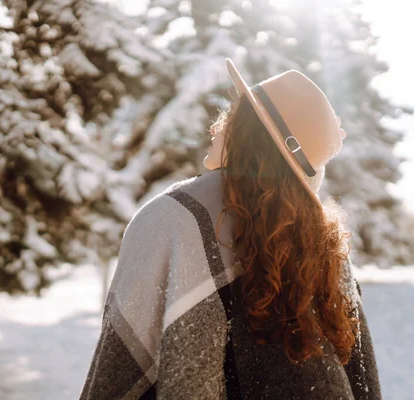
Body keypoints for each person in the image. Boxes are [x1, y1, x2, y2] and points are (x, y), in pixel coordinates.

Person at [80, 58, 382, 399]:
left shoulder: (176, 217)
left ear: (249, 135)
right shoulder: (324, 241)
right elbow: (360, 379)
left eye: (230, 115)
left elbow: (119, 372)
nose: (215, 126)